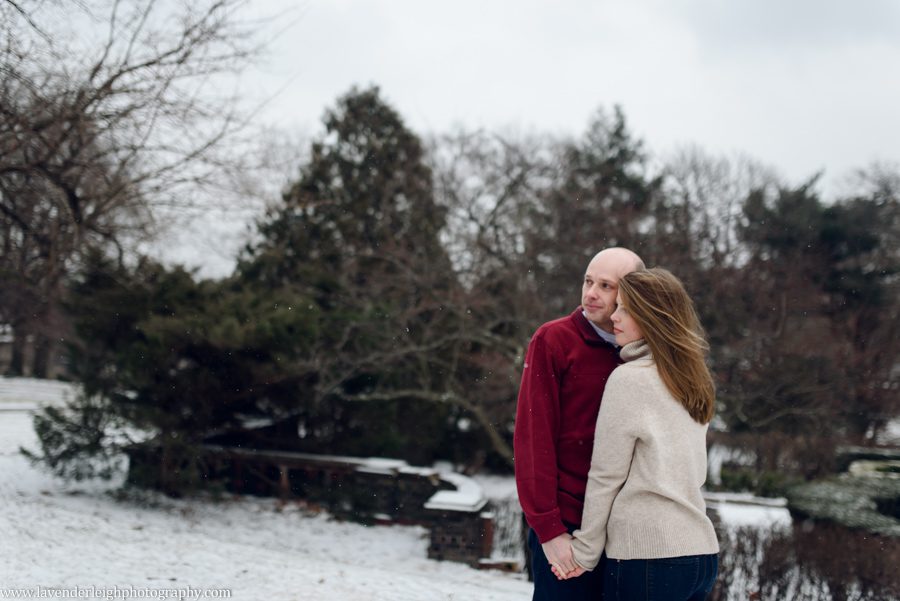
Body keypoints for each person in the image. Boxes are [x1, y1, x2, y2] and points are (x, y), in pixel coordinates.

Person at [552, 268, 720, 600]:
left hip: (647, 558)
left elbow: (606, 475)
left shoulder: (630, 379)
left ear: (652, 317)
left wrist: (585, 551)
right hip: (700, 556)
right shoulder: (692, 380)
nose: (615, 316)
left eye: (626, 309)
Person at [514, 247, 644, 601]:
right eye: (588, 281)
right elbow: (533, 439)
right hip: (569, 527)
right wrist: (549, 530)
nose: (590, 293)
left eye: (606, 286)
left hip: (628, 533)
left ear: (632, 295)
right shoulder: (554, 340)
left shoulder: (647, 354)